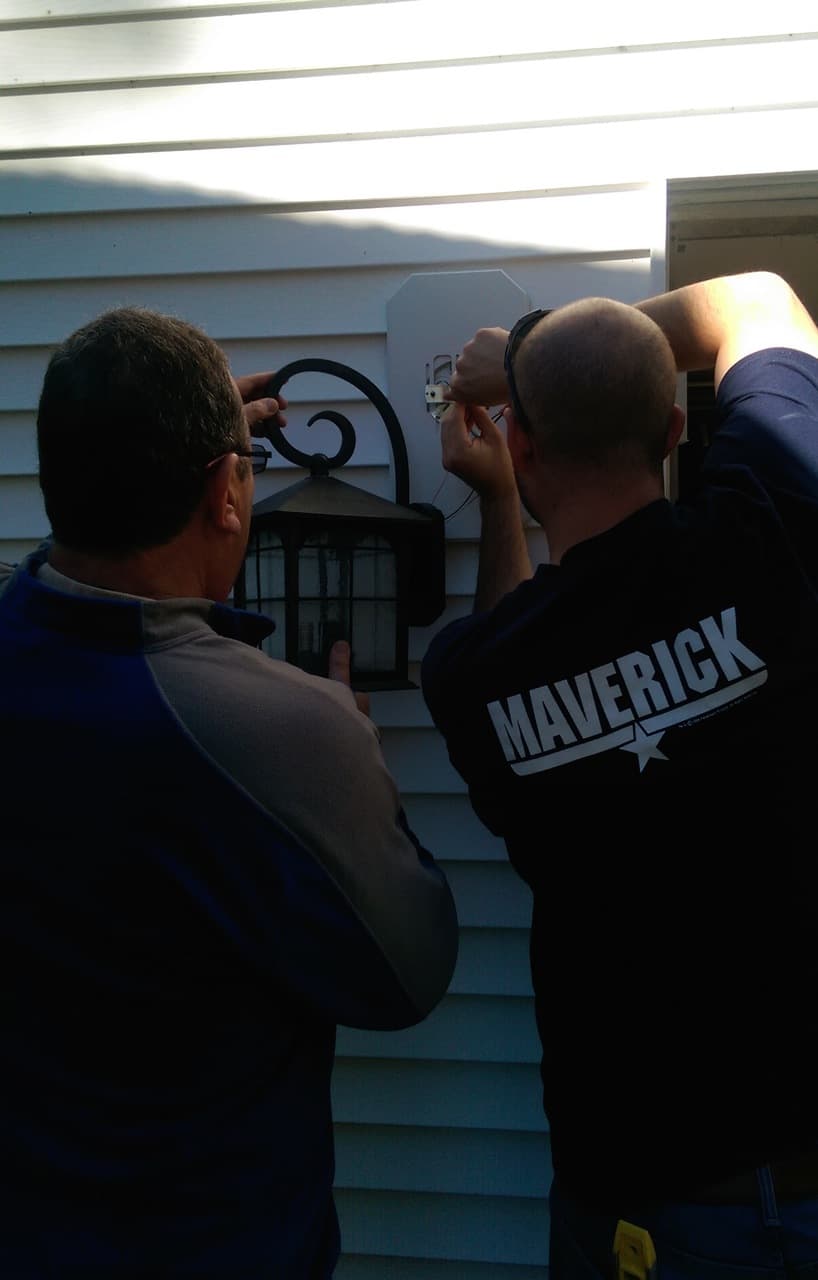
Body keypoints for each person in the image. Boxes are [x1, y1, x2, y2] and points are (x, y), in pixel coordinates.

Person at [1, 306, 458, 1278]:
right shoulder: (286, 729)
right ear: (224, 491)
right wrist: (355, 759)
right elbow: (407, 969)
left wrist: (187, 437)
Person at [420, 272, 818, 1278]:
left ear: (518, 446)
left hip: (624, 1215)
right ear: (677, 428)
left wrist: (501, 483)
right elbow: (757, 300)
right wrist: (528, 353)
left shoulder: (472, 679)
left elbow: (513, 646)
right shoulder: (769, 538)